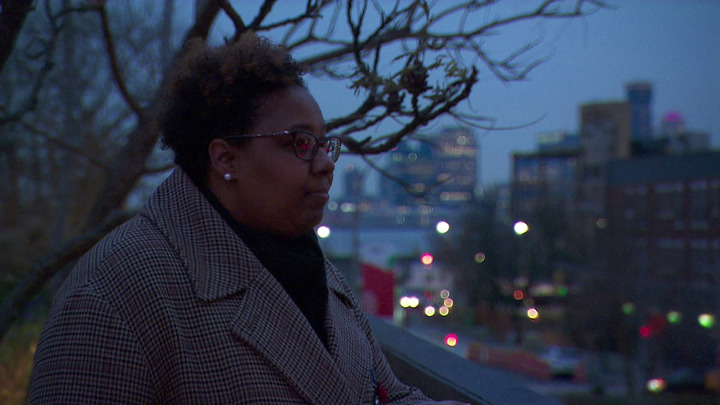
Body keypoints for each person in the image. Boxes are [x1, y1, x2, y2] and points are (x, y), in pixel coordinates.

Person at [29, 33, 466, 404]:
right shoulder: (113, 295)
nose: (325, 164)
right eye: (300, 144)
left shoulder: (314, 269)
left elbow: (386, 394)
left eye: (323, 143)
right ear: (225, 159)